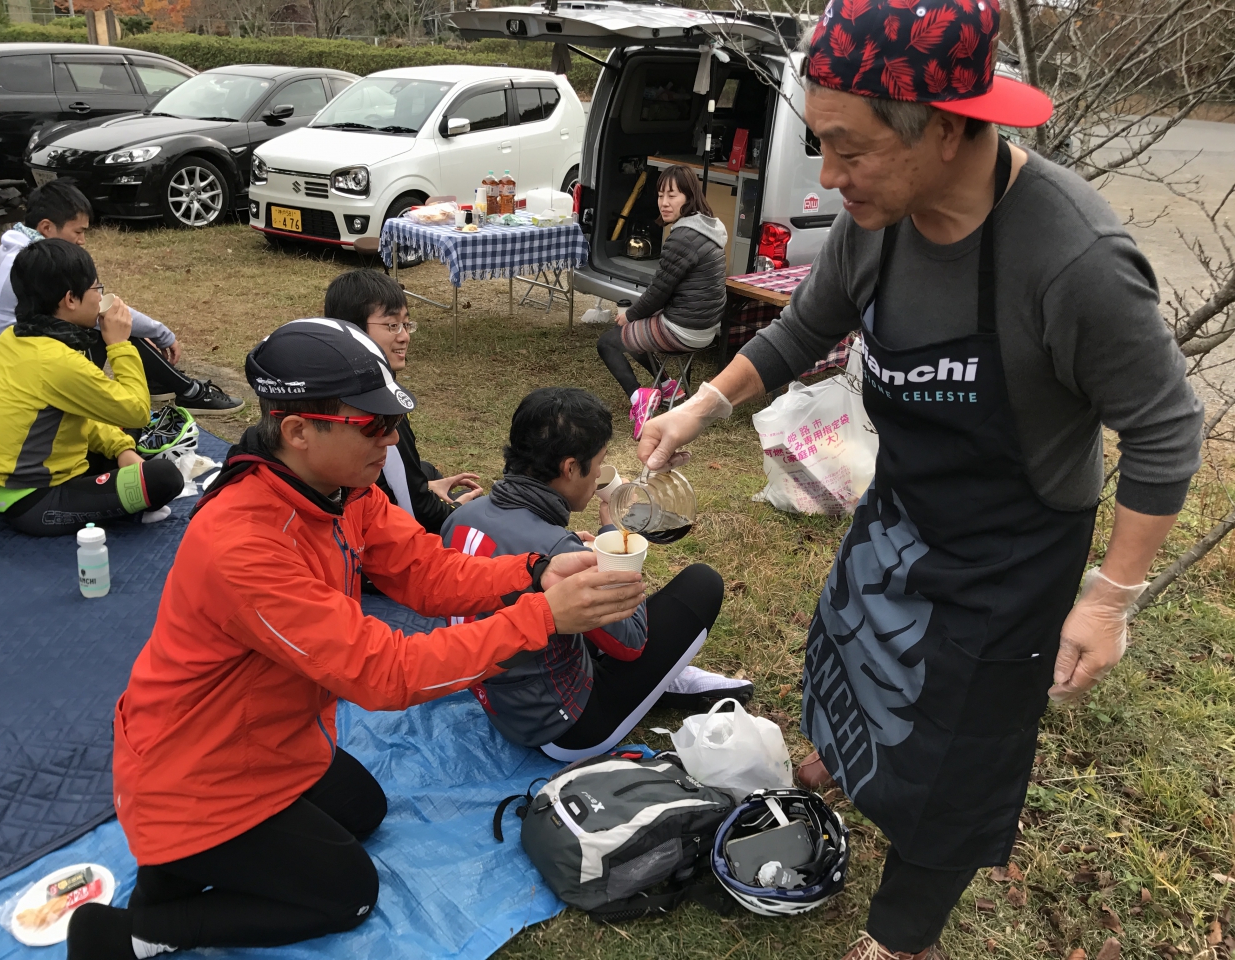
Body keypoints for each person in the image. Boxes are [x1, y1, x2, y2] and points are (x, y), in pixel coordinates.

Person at [636, 3, 1203, 957]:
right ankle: (851, 761)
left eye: (849, 149)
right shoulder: (878, 218)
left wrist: (1110, 599)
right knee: (858, 653)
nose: (829, 176)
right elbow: (804, 327)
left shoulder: (1073, 260)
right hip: (901, 515)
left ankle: (901, 936)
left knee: (956, 754)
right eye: (821, 143)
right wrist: (704, 407)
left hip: (1010, 552)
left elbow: (1165, 430)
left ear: (944, 129)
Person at [65, 318, 644, 960]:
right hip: (195, 771)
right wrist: (540, 618)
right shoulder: (242, 546)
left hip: (269, 738)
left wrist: (532, 573)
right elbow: (385, 673)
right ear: (298, 430)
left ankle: (178, 874)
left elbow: (426, 570)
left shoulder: (339, 490)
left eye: (393, 421)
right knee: (349, 894)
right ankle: (134, 932)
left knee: (363, 810)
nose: (392, 439)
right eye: (375, 424)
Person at [441, 386, 750, 760]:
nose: (601, 475)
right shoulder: (555, 548)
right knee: (702, 583)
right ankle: (666, 679)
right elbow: (631, 643)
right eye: (599, 463)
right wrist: (613, 543)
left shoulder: (460, 518)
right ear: (570, 468)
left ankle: (665, 677)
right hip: (568, 729)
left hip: (500, 704)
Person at [0, 239, 184, 536]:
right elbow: (138, 411)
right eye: (97, 289)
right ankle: (121, 508)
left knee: (120, 431)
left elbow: (78, 411)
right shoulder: (57, 362)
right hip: (28, 499)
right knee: (164, 478)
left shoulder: (16, 337)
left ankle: (112, 481)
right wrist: (119, 345)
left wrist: (120, 449)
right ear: (70, 300)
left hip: (3, 479)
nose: (101, 298)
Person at [0, 178, 243, 416]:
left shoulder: (11, 251)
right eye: (78, 232)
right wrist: (161, 333)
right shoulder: (45, 266)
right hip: (19, 382)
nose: (82, 241)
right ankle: (189, 391)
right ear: (46, 228)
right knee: (112, 324)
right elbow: (106, 310)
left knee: (111, 323)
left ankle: (165, 383)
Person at [325, 269, 482, 533]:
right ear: (353, 330)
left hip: (357, 510)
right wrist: (457, 510)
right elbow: (416, 512)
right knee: (477, 508)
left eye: (406, 324)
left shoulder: (327, 380)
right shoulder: (381, 403)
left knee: (427, 471)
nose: (404, 336)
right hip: (366, 532)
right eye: (392, 325)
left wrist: (424, 485)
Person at [596, 163, 728, 439]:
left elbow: (658, 292)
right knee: (635, 331)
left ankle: (638, 397)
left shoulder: (683, 237)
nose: (664, 203)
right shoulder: (707, 228)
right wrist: (637, 317)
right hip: (705, 328)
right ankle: (668, 386)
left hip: (684, 329)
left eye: (672, 195)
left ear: (689, 197)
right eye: (660, 195)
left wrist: (630, 315)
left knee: (608, 342)